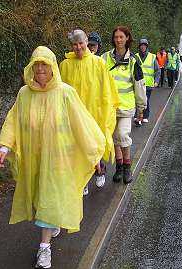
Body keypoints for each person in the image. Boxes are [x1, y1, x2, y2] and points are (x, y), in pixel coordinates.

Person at [0, 46, 105, 269]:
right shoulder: (24, 94)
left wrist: (93, 153)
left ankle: (44, 248)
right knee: (39, 199)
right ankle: (52, 222)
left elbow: (81, 124)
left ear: (53, 66)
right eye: (37, 65)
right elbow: (13, 121)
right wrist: (5, 146)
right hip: (33, 160)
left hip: (59, 161)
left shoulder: (65, 93)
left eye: (45, 64)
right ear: (31, 68)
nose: (41, 69)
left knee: (49, 197)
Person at [60, 29, 119, 195]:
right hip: (75, 116)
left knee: (94, 146)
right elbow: (61, 91)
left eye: (81, 43)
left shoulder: (98, 63)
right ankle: (83, 180)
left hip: (94, 113)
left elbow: (106, 89)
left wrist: (107, 109)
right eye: (74, 44)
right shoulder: (65, 65)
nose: (78, 47)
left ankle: (100, 171)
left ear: (86, 43)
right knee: (77, 149)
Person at [101, 26, 147, 184]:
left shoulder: (133, 61)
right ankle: (119, 167)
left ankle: (128, 167)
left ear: (127, 38)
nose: (118, 40)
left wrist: (141, 108)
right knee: (114, 137)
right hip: (109, 107)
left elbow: (139, 85)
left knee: (122, 135)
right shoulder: (104, 58)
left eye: (121, 37)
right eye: (116, 37)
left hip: (126, 107)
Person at [134, 38, 160, 125]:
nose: (143, 47)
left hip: (148, 84)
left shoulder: (152, 57)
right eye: (141, 46)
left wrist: (156, 81)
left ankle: (145, 116)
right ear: (139, 47)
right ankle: (137, 116)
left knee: (146, 100)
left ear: (147, 47)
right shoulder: (135, 57)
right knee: (138, 100)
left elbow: (158, 70)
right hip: (138, 83)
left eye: (144, 46)